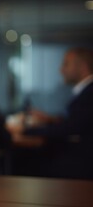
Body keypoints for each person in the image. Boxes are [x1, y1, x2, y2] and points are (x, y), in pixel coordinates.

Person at [18, 47, 93, 179]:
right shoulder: (85, 92)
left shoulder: (89, 93)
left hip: (81, 165)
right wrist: (50, 119)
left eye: (66, 64)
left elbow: (70, 129)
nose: (60, 70)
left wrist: (26, 130)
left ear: (82, 67)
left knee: (28, 164)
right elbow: (79, 121)